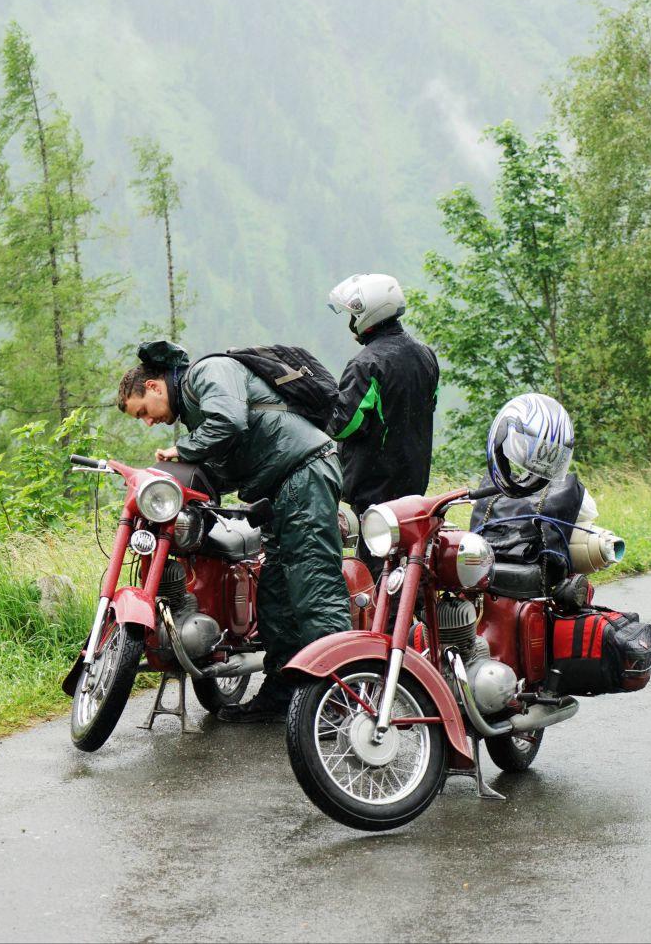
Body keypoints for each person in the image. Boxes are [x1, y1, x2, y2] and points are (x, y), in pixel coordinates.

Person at [117, 340, 350, 722]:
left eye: (143, 410)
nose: (148, 421)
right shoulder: (195, 410)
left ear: (155, 386)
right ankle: (281, 693)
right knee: (275, 598)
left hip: (304, 472)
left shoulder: (209, 372)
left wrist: (184, 448)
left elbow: (230, 420)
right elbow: (230, 459)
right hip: (280, 488)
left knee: (314, 590)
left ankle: (342, 700)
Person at [325, 273, 440, 580]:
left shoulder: (367, 364)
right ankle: (415, 624)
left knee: (379, 576)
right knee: (411, 566)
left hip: (375, 490)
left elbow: (343, 425)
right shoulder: (426, 355)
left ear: (368, 313)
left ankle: (384, 628)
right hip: (414, 488)